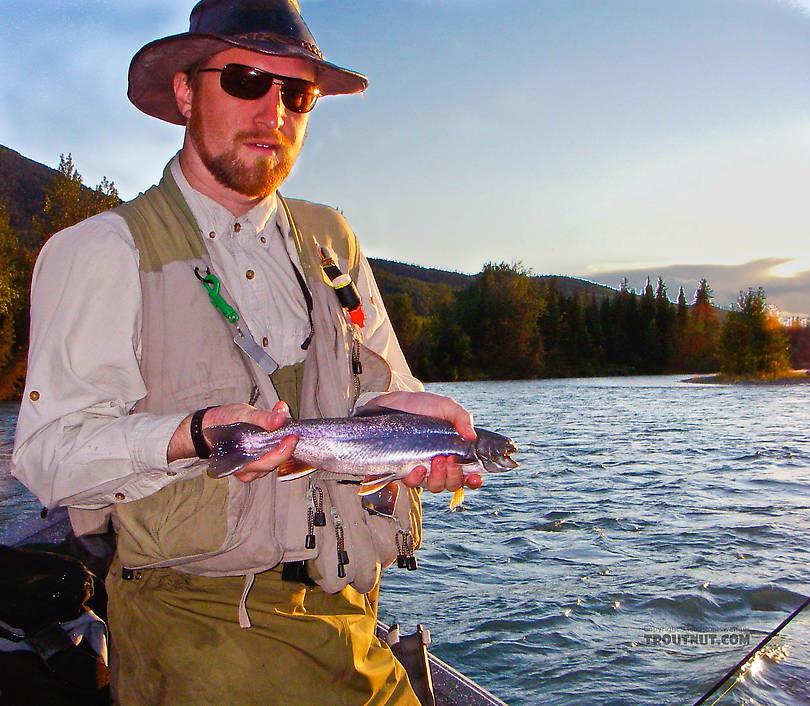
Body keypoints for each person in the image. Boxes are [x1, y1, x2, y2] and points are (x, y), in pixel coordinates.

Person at [11, 1, 482, 704]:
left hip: (350, 621)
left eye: (297, 94)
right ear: (184, 91)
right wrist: (191, 435)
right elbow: (46, 457)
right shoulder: (99, 251)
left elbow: (381, 386)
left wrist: (401, 420)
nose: (274, 111)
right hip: (195, 631)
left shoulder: (333, 240)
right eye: (244, 81)